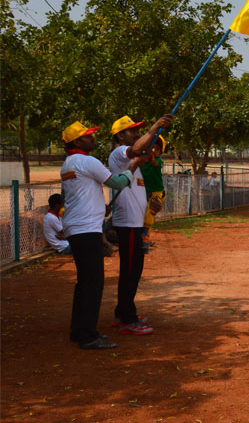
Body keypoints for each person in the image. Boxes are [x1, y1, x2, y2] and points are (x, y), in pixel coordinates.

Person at [60, 121, 139, 350]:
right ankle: (87, 335)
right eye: (87, 136)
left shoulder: (68, 164)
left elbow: (78, 193)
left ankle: (79, 331)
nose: (92, 139)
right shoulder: (87, 161)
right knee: (93, 284)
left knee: (84, 283)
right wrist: (133, 166)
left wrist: (97, 206)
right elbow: (117, 181)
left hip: (76, 229)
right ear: (77, 142)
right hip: (87, 230)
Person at [109, 114, 174, 336]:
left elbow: (145, 162)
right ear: (120, 136)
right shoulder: (120, 154)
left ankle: (125, 312)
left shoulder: (134, 162)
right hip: (127, 224)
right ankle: (126, 318)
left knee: (134, 270)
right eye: (132, 131)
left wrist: (153, 205)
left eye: (138, 130)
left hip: (135, 224)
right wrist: (156, 125)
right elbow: (137, 150)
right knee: (129, 271)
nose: (136, 133)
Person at [140, 136, 167, 250]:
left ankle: (145, 236)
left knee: (150, 213)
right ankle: (144, 236)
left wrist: (150, 156)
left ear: (160, 152)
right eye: (151, 148)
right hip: (145, 191)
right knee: (143, 214)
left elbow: (155, 163)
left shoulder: (158, 161)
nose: (153, 151)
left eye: (156, 149)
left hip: (156, 192)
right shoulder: (142, 162)